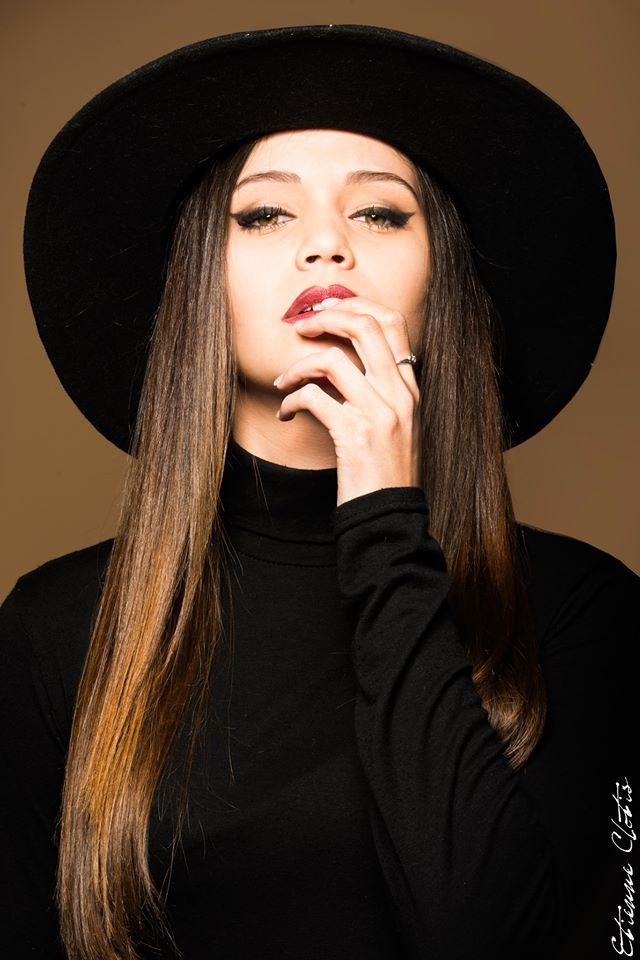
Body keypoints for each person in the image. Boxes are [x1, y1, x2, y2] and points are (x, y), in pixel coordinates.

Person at [1, 23, 637, 960]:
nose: (327, 247)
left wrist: (385, 514)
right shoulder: (58, 629)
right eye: (264, 214)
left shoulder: (584, 610)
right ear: (200, 280)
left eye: (380, 213)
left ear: (441, 284)